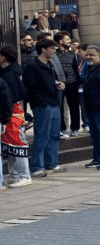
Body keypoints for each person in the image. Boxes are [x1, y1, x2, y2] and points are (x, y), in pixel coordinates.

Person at [23, 37, 65, 177]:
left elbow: (52, 81)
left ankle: (51, 163)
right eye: (52, 48)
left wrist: (60, 84)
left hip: (53, 103)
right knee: (42, 136)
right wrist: (41, 101)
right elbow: (30, 87)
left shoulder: (50, 64)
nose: (54, 51)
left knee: (54, 135)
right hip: (42, 105)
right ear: (43, 49)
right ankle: (36, 167)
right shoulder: (32, 66)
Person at [0, 46, 31, 187]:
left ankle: (24, 175)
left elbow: (9, 97)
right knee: (10, 145)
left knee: (17, 144)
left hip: (12, 113)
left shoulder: (9, 75)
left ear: (4, 57)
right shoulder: (13, 72)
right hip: (15, 112)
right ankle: (15, 174)